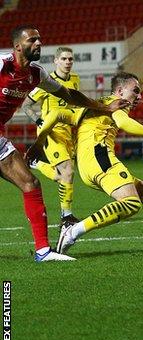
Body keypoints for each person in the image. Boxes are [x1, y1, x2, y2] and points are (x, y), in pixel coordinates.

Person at [28, 72, 143, 256]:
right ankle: (72, 231)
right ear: (120, 91)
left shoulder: (94, 104)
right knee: (131, 203)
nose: (139, 96)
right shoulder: (116, 105)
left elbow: (57, 114)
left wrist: (39, 143)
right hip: (100, 157)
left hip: (88, 164)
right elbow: (124, 122)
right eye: (135, 91)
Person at [0, 25, 128, 262]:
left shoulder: (36, 74)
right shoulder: (2, 64)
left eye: (40, 39)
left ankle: (43, 251)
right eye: (32, 41)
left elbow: (69, 95)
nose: (38, 43)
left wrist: (104, 106)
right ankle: (43, 251)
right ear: (18, 46)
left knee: (30, 183)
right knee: (30, 183)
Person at [22, 46, 80, 226]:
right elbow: (26, 105)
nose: (68, 62)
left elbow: (75, 104)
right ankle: (66, 216)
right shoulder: (47, 82)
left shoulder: (75, 80)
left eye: (70, 59)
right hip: (51, 132)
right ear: (55, 61)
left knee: (63, 176)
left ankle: (35, 163)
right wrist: (39, 121)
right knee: (68, 172)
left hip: (67, 133)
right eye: (64, 59)